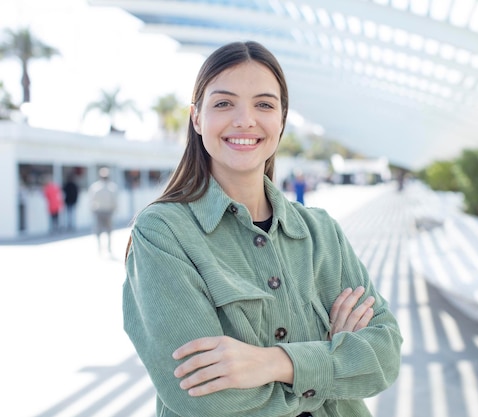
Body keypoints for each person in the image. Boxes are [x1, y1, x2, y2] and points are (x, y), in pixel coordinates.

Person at [123, 41, 402, 417]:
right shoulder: (162, 233)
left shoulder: (321, 233)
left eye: (264, 104)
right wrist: (333, 362)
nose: (244, 120)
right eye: (223, 103)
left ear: (282, 120)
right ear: (197, 118)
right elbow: (205, 396)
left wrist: (275, 363)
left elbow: (384, 355)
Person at [89, 167, 118, 253]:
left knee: (99, 230)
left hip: (99, 211)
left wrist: (93, 210)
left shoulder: (95, 187)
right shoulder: (112, 187)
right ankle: (108, 247)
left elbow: (92, 200)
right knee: (109, 230)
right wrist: (115, 209)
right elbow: (115, 201)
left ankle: (100, 247)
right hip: (108, 211)